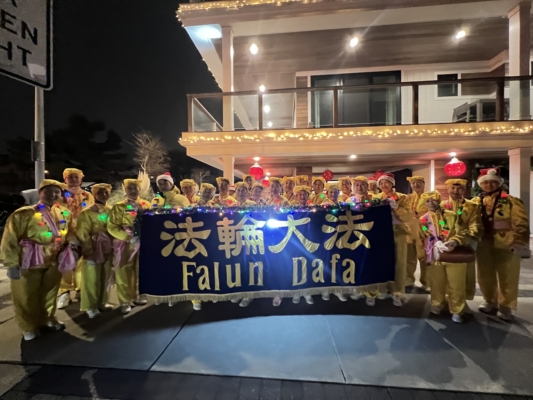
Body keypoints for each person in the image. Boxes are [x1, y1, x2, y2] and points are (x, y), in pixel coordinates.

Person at [1, 180, 77, 340]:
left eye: (56, 192)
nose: (52, 195)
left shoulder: (64, 213)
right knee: (25, 294)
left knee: (50, 292)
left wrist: (72, 242)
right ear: (40, 192)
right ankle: (28, 326)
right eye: (48, 191)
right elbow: (10, 239)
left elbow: (70, 231)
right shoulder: (23, 214)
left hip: (55, 258)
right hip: (29, 260)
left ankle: (47, 318)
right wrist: (11, 263)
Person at [473, 168, 529, 321]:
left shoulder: (511, 200)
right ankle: (489, 300)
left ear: (499, 183)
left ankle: (506, 306)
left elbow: (521, 222)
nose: (489, 185)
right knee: (485, 274)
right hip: (483, 242)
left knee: (508, 275)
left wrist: (518, 241)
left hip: (506, 242)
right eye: (485, 182)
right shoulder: (475, 202)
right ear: (481, 184)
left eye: (493, 182)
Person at [420, 193, 470, 323]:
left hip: (453, 253)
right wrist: (431, 246)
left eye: (433, 200)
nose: (431, 203)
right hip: (434, 254)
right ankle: (437, 304)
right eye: (427, 201)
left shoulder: (451, 215)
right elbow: (423, 235)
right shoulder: (423, 220)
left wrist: (454, 241)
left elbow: (463, 232)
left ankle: (457, 309)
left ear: (439, 200)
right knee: (436, 282)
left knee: (456, 283)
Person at [107, 179, 151, 314]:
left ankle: (138, 295)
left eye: (135, 188)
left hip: (143, 242)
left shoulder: (146, 204)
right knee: (123, 271)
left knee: (140, 270)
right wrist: (127, 237)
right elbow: (112, 226)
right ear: (125, 190)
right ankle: (124, 300)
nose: (133, 191)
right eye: (129, 188)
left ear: (140, 189)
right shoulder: (118, 206)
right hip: (125, 244)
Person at [371, 172, 412, 307]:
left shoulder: (403, 197)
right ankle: (382, 288)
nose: (384, 185)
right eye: (381, 183)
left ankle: (397, 292)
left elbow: (407, 217)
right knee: (381, 262)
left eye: (387, 182)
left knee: (399, 264)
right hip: (381, 234)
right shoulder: (375, 198)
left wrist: (396, 208)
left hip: (399, 233)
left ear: (392, 184)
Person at [442, 179, 483, 309]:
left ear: (464, 190)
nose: (456, 191)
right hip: (444, 245)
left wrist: (464, 237)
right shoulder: (442, 206)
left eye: (459, 188)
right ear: (447, 189)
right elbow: (438, 223)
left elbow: (475, 225)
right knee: (443, 275)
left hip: (464, 244)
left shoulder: (472, 206)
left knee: (464, 276)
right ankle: (447, 300)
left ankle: (460, 303)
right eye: (452, 188)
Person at [57, 168, 95, 310]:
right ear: (65, 179)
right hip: (65, 234)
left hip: (83, 233)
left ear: (81, 179)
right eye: (70, 177)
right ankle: (64, 291)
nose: (73, 179)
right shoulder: (60, 194)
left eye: (76, 177)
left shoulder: (87, 195)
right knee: (65, 263)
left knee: (82, 263)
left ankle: (80, 289)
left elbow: (91, 213)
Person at [77, 184, 114, 319]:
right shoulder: (87, 212)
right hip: (94, 247)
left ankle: (102, 302)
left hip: (108, 247)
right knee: (91, 278)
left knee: (105, 276)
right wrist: (88, 249)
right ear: (94, 194)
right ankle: (90, 306)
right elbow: (82, 232)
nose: (103, 195)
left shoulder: (111, 210)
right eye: (100, 192)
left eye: (105, 192)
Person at [405, 176, 437, 290]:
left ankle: (426, 282)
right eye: (413, 183)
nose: (416, 185)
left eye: (419, 182)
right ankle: (408, 280)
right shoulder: (407, 198)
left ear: (424, 184)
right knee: (409, 257)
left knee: (425, 256)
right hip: (409, 230)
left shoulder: (429, 197)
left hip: (424, 230)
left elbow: (435, 211)